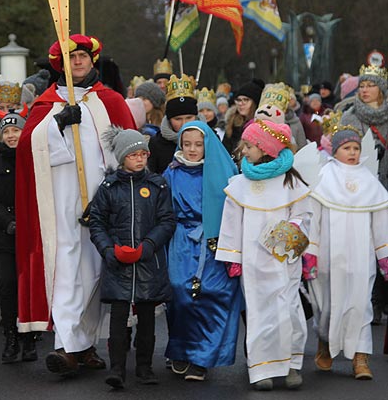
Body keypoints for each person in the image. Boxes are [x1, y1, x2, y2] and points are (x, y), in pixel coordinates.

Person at [16, 34, 135, 376]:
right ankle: (67, 345)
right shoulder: (46, 104)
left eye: (82, 56)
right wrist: (55, 126)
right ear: (61, 64)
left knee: (97, 270)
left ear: (92, 59)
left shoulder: (109, 100)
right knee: (67, 269)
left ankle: (85, 346)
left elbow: (129, 147)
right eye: (71, 58)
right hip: (61, 203)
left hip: (103, 200)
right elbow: (27, 148)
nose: (78, 62)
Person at [216, 119, 316, 391]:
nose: (244, 151)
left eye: (249, 145)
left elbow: (303, 216)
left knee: (288, 309)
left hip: (284, 260)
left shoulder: (291, 182)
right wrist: (233, 257)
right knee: (259, 313)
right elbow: (231, 222)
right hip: (253, 261)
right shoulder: (240, 184)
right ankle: (262, 369)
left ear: (266, 148)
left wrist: (291, 239)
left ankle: (292, 364)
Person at [89, 127, 175, 388]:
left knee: (147, 320)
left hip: (148, 263)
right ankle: (116, 368)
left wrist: (148, 246)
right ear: (122, 157)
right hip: (118, 263)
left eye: (143, 154)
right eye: (133, 154)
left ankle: (145, 367)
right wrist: (108, 249)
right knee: (118, 320)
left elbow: (167, 220)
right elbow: (97, 222)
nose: (139, 159)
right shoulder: (109, 187)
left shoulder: (157, 185)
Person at [304, 127, 388, 380]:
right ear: (335, 150)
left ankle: (360, 357)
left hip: (361, 257)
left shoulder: (369, 183)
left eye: (356, 148)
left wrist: (384, 255)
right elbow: (313, 219)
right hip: (330, 257)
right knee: (329, 304)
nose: (352, 153)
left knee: (360, 303)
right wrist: (311, 252)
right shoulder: (323, 177)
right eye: (346, 148)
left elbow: (381, 222)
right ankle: (326, 344)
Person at [163, 121, 241, 381]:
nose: (192, 149)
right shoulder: (171, 172)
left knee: (211, 294)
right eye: (187, 144)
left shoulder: (221, 171)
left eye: (198, 144)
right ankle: (180, 350)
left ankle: (202, 357)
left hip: (213, 241)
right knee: (179, 292)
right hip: (181, 240)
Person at [0, 110, 37, 364]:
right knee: (7, 287)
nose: (11, 135)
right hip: (6, 235)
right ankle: (11, 338)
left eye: (16, 130)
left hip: (31, 233)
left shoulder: (34, 159)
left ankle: (29, 339)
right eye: (6, 131)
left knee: (29, 286)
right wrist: (8, 223)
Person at [341, 64, 388, 324]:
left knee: (384, 245)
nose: (365, 90)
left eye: (371, 85)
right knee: (364, 246)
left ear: (381, 89)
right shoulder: (349, 116)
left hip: (386, 188)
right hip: (358, 191)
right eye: (362, 85)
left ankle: (381, 297)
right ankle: (371, 301)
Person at [147, 75, 198, 174]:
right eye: (178, 119)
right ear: (169, 119)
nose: (184, 124)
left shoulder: (210, 138)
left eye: (189, 118)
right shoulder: (157, 143)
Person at [222, 79, 264, 157]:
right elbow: (224, 151)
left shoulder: (261, 125)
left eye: (246, 100)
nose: (241, 104)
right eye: (238, 100)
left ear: (255, 102)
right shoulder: (232, 122)